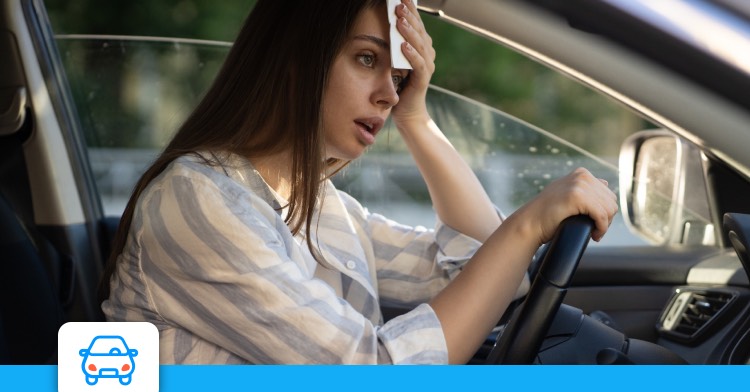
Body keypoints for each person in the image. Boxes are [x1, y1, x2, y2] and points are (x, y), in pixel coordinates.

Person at [99, 0, 618, 364]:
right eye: (367, 60)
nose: (389, 96)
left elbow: (480, 268)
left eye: (397, 78)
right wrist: (528, 224)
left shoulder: (321, 205)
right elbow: (377, 372)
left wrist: (416, 117)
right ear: (295, 62)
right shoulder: (197, 201)